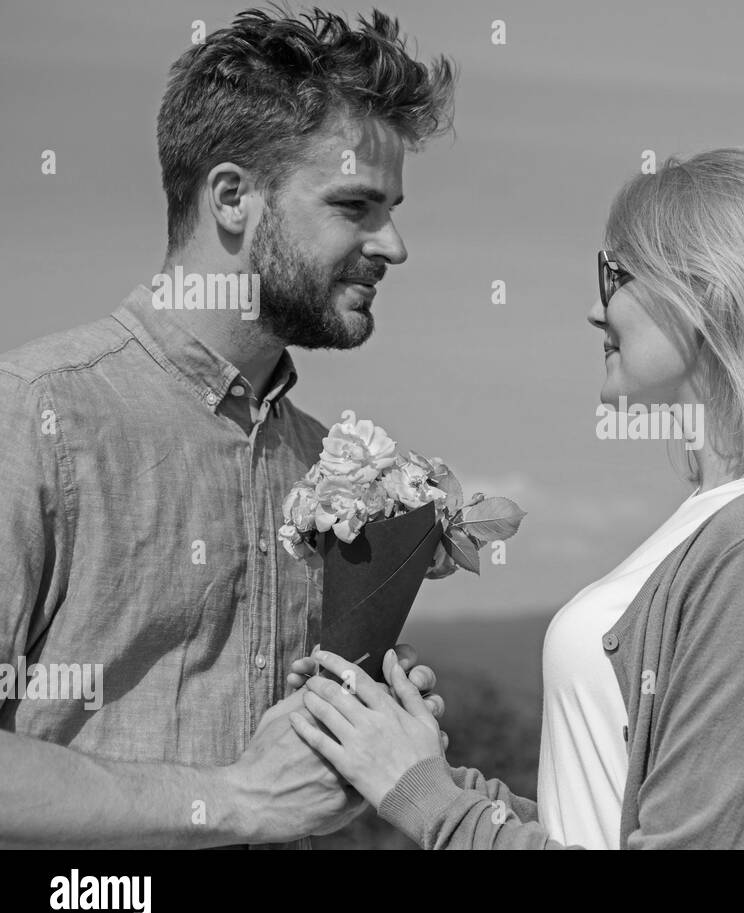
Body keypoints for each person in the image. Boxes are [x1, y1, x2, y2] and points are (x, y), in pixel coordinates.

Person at [286, 147, 744, 849]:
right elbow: (598, 821)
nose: (594, 308)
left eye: (616, 274)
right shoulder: (721, 518)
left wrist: (426, 799)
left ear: (711, 294)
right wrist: (415, 764)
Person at [0, 7, 455, 849]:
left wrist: (365, 740)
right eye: (355, 204)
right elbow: (252, 796)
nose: (393, 244)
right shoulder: (33, 413)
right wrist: (235, 798)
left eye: (390, 208)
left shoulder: (323, 462)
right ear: (233, 197)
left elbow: (285, 785)